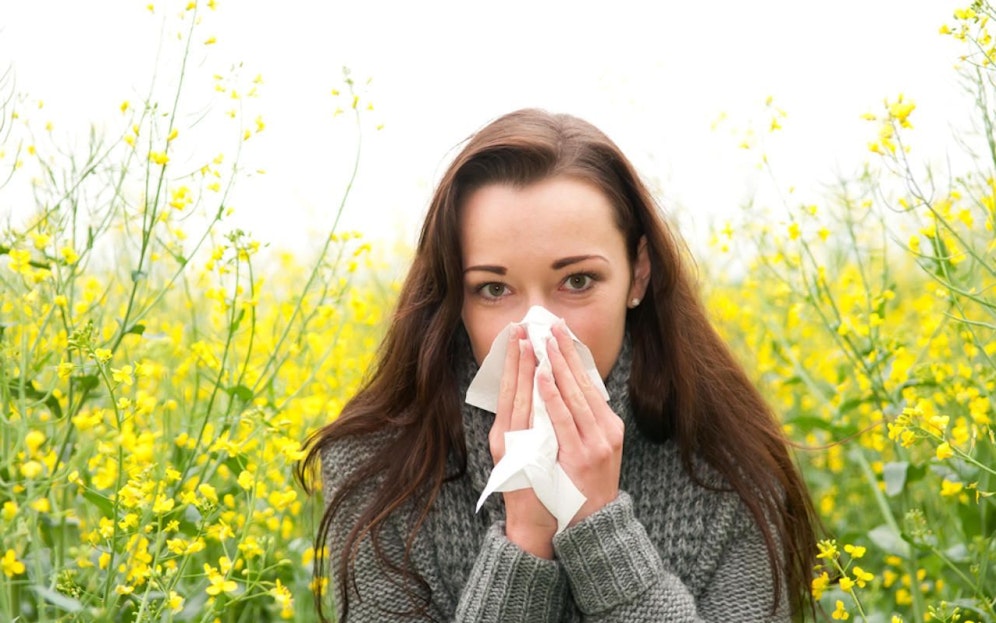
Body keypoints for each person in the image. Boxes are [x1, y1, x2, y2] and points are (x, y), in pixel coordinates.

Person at [299, 108, 818, 622]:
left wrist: (600, 530)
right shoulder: (379, 469)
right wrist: (524, 540)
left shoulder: (729, 462)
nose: (537, 328)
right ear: (457, 296)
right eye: (494, 289)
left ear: (638, 275)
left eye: (577, 282)